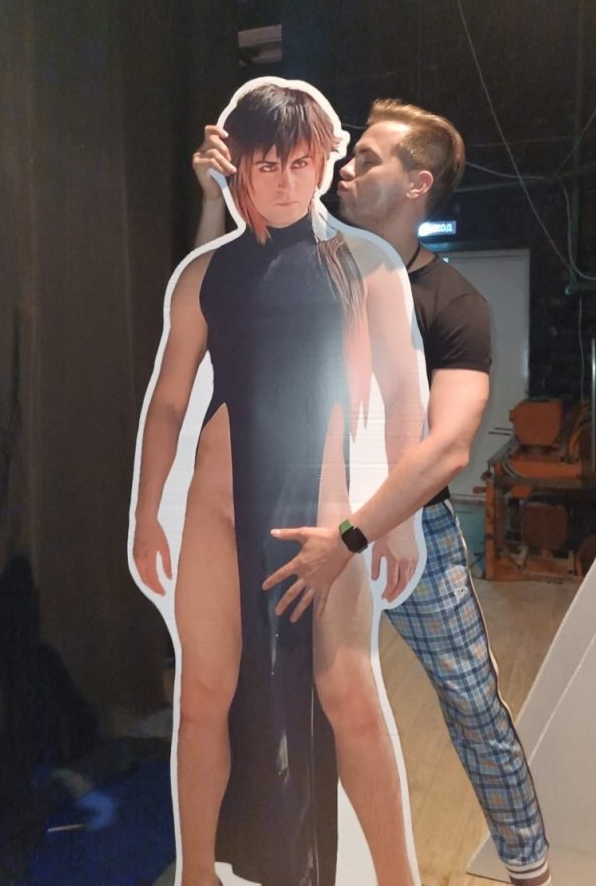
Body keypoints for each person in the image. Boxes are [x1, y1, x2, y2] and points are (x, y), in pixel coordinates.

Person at [197, 97, 552, 886]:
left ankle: (528, 861)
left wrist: (358, 533)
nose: (346, 169)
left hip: (400, 530)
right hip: (297, 520)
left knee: (469, 699)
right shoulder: (299, 259)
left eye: (369, 159)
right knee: (302, 697)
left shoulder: (453, 303)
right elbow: (207, 312)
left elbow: (447, 446)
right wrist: (218, 194)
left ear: (417, 184)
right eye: (348, 155)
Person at [131, 80, 426, 886]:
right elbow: (168, 400)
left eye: (301, 163)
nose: (288, 181)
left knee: (349, 692)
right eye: (268, 165)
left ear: (323, 160)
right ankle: (197, 873)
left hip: (321, 515)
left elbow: (405, 393)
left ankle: (399, 878)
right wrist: (147, 513)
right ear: (241, 169)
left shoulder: (366, 264)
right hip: (218, 510)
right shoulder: (206, 275)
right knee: (204, 695)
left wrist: (398, 517)